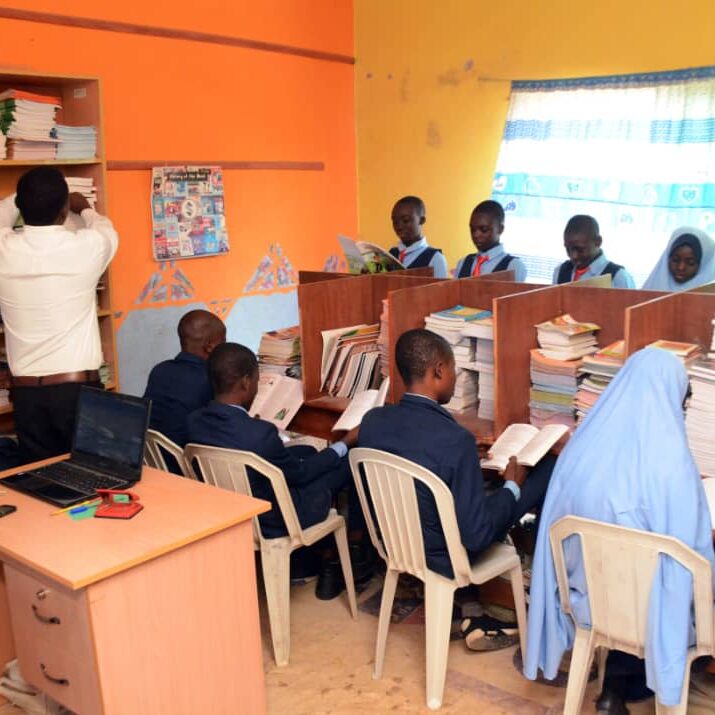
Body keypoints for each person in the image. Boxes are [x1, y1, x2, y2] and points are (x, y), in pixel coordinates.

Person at [524, 348, 715, 714]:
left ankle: (614, 685)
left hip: (588, 601)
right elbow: (697, 558)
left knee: (637, 578)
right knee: (687, 579)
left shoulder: (578, 450)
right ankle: (667, 671)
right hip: (646, 612)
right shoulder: (672, 465)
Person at [359, 329, 554, 648]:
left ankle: (469, 607)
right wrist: (511, 487)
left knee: (472, 493)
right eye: (453, 370)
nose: (454, 378)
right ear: (438, 370)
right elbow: (476, 535)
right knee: (544, 472)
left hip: (398, 546)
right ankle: (541, 590)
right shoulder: (455, 441)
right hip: (446, 557)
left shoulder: (373, 422)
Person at [187, 342, 368, 599]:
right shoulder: (260, 435)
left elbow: (286, 462)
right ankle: (337, 560)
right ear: (246, 383)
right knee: (347, 463)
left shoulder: (195, 421)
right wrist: (344, 443)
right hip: (273, 519)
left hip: (233, 508)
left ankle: (324, 557)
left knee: (307, 452)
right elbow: (301, 475)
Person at [0, 167, 118, 463]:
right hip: (78, 393)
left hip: (27, 398)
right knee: (93, 481)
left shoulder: (4, 249)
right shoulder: (88, 246)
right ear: (65, 210)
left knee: (45, 488)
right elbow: (106, 228)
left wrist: (29, 195)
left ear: (22, 209)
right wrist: (86, 208)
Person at [143, 309, 226, 449]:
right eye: (223, 341)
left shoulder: (160, 370)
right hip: (182, 462)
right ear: (210, 346)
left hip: (152, 456)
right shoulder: (209, 379)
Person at [552, 215, 635, 288]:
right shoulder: (560, 271)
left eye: (580, 250)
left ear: (598, 242)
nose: (574, 256)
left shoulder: (618, 277)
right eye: (568, 249)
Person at [454, 200, 527, 280]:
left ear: (500, 229)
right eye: (473, 229)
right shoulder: (463, 262)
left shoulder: (513, 266)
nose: (476, 235)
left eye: (484, 229)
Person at [389, 196, 448, 278]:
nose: (399, 227)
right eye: (395, 222)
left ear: (422, 220)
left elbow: (442, 290)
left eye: (405, 220)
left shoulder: (435, 259)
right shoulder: (391, 255)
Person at [642, 226, 715, 291]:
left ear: (703, 264)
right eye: (675, 260)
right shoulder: (651, 289)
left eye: (690, 263)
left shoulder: (711, 295)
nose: (681, 267)